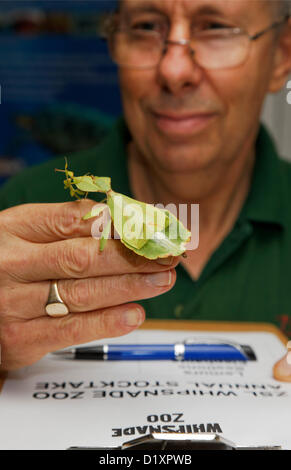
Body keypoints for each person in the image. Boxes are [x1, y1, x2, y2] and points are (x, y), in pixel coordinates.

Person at [1, 0, 291, 378]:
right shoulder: (22, 209)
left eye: (216, 28)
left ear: (282, 55)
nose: (173, 70)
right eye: (145, 27)